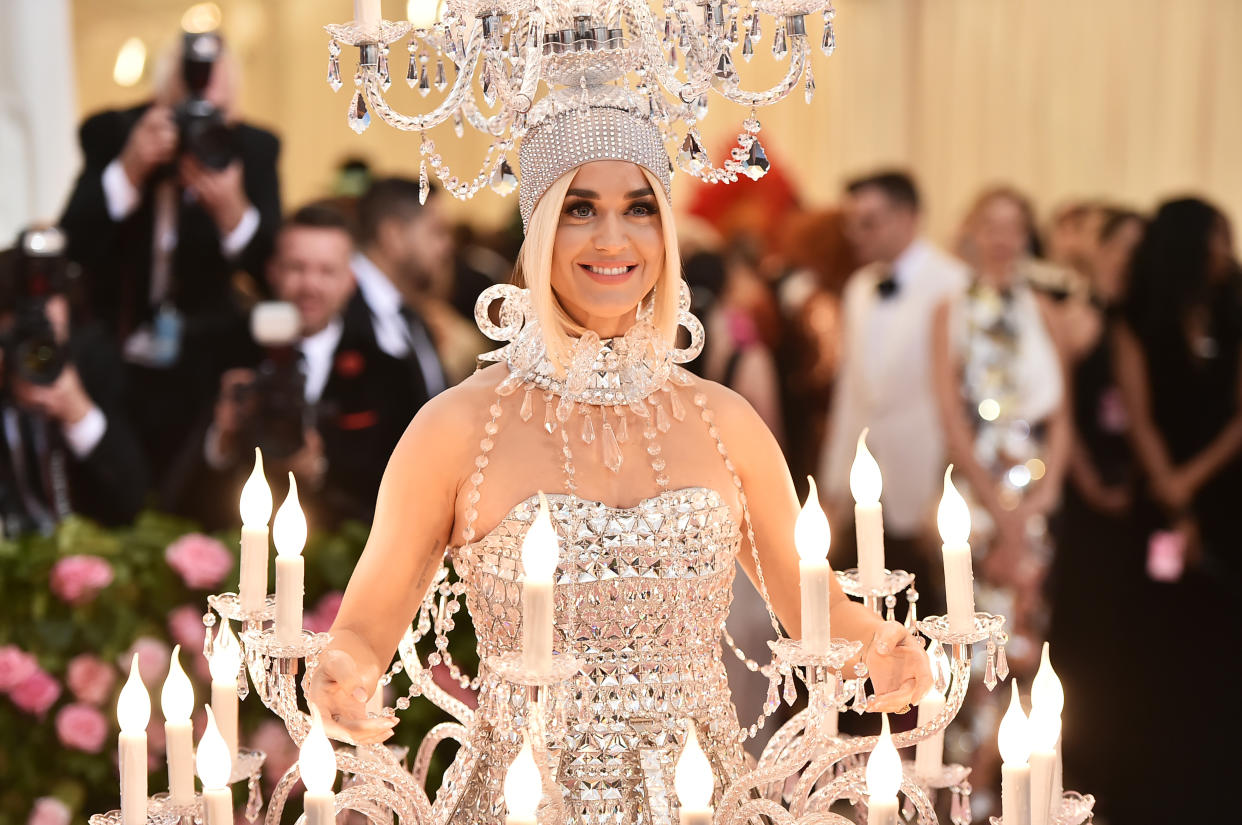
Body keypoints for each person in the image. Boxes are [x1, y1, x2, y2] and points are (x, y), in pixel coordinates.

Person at [307, 97, 931, 823]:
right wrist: (341, 671)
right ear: (537, 228)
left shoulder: (723, 420)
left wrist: (883, 645)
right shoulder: (456, 427)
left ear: (666, 229)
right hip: (521, 803)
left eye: (639, 208)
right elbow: (365, 627)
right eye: (579, 209)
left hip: (701, 799)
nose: (613, 238)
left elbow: (810, 603)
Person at [58, 30, 281, 484]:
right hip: (118, 350)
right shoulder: (117, 133)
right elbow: (74, 245)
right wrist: (128, 171)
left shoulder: (249, 148)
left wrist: (233, 213)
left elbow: (271, 274)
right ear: (161, 93)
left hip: (204, 359)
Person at [163, 205, 420, 529]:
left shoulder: (388, 375)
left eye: (326, 271)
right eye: (297, 268)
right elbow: (175, 493)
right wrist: (221, 436)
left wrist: (319, 469)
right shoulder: (224, 355)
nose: (309, 285)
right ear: (272, 272)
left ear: (350, 281)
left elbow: (402, 497)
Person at [1111, 197, 1242, 823]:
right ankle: (1156, 782)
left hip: (1224, 490)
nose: (1224, 251)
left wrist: (1192, 480)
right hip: (1158, 497)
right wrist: (1170, 487)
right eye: (1216, 239)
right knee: (1158, 637)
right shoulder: (1137, 317)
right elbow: (1139, 417)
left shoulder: (1235, 307)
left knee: (1221, 640)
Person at [821, 171, 967, 614]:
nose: (856, 235)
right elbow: (851, 391)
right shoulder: (860, 287)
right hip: (866, 480)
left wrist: (952, 486)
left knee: (931, 616)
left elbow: (963, 398)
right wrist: (833, 482)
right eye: (852, 223)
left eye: (869, 222)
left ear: (908, 218)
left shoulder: (955, 283)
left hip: (926, 481)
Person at [1045, 207, 1145, 818]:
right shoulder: (1078, 315)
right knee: (1081, 629)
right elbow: (1063, 407)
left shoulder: (1145, 321)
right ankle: (1074, 771)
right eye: (1121, 248)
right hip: (1084, 495)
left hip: (1133, 498)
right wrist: (1089, 480)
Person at [0, 227, 147, 533]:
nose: (38, 320)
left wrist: (79, 415)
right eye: (20, 307)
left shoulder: (93, 361)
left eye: (52, 299)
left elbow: (135, 498)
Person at [352, 178, 461, 392]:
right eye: (436, 231)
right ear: (394, 235)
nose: (447, 246)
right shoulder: (340, 306)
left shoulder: (411, 314)